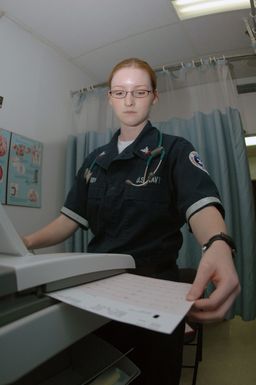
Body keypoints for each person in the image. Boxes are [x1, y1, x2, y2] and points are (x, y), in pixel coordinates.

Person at [23, 58, 240, 384]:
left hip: (154, 294)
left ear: (154, 97)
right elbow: (68, 220)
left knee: (153, 376)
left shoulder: (175, 151)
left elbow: (200, 207)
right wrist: (22, 243)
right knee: (99, 372)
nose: (128, 100)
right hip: (97, 293)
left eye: (139, 91)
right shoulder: (94, 162)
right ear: (109, 97)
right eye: (120, 92)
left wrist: (218, 242)